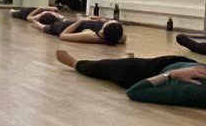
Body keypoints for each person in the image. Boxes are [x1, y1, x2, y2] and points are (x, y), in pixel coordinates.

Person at [56, 50, 206, 108]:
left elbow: (135, 92)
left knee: (107, 67)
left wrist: (171, 75)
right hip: (182, 62)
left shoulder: (191, 91)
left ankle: (75, 63)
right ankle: (125, 59)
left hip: (151, 73)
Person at [31, 15, 125, 45]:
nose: (108, 20)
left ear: (104, 29)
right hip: (71, 22)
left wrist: (81, 21)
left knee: (41, 26)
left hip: (61, 28)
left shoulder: (90, 35)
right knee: (52, 17)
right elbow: (122, 37)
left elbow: (63, 36)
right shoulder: (117, 36)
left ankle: (35, 21)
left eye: (108, 22)